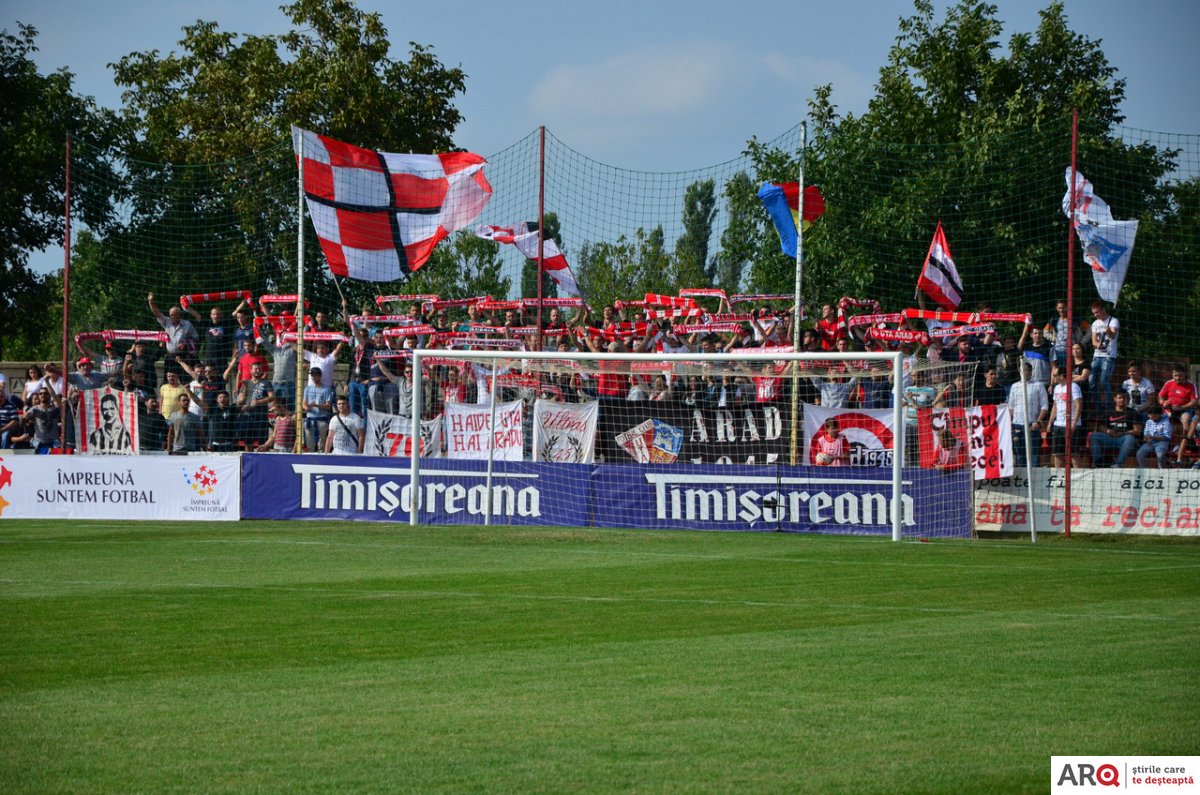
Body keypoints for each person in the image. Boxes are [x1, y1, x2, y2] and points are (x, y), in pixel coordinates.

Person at [148, 292, 199, 379]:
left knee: (184, 380)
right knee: (169, 381)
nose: (172, 317)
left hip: (185, 357)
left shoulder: (187, 324)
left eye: (175, 315)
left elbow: (196, 338)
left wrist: (186, 344)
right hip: (170, 358)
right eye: (171, 315)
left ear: (180, 315)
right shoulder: (167, 322)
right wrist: (151, 302)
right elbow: (157, 313)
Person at [1087, 391, 1141, 468]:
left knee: (1130, 438)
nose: (1122, 400)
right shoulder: (1109, 411)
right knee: (1093, 435)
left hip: (1123, 439)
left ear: (1128, 399)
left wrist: (1123, 433)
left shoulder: (1132, 412)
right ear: (1115, 398)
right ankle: (1097, 463)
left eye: (1124, 398)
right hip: (1109, 438)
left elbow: (1137, 431)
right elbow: (1100, 426)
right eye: (1120, 398)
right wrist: (1108, 431)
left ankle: (1117, 465)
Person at [1044, 364, 1083, 468]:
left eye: (1055, 375)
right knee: (1057, 454)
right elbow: (1055, 406)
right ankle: (1058, 478)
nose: (1053, 377)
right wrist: (1050, 422)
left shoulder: (1074, 387)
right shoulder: (1056, 388)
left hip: (1070, 423)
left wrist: (1074, 422)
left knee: (1074, 453)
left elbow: (1079, 405)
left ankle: (1078, 480)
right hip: (1058, 424)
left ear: (1061, 376)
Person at [1088, 301, 1119, 415]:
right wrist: (1098, 345)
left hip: (1109, 356)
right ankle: (1097, 406)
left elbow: (1113, 335)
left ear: (1103, 310)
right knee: (1092, 380)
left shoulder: (1114, 321)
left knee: (1104, 380)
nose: (1096, 315)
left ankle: (1109, 405)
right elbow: (1093, 341)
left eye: (1097, 312)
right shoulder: (1095, 323)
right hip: (1097, 355)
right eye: (1094, 313)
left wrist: (1108, 331)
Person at [302, 367, 335, 452]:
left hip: (322, 419)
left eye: (315, 375)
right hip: (310, 419)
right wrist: (308, 407)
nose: (314, 377)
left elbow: (328, 406)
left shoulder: (326, 389)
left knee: (322, 445)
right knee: (309, 445)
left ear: (320, 376)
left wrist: (317, 405)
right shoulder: (307, 389)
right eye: (312, 375)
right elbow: (304, 404)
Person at [1136, 404, 1172, 469]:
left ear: (1159, 414)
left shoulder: (1166, 422)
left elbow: (1167, 438)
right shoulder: (1148, 422)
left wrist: (1153, 437)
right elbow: (1145, 434)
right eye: (1150, 414)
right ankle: (1143, 470)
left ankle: (1162, 471)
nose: (1152, 416)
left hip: (1161, 443)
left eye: (1154, 414)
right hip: (1150, 443)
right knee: (1139, 453)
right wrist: (1146, 438)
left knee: (1160, 456)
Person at [0, 381, 25, 449]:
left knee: (5, 436)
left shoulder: (11, 405)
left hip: (7, 428)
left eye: (1, 397)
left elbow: (15, 420)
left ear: (5, 397)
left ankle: (2, 455)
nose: (0, 399)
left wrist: (2, 429)